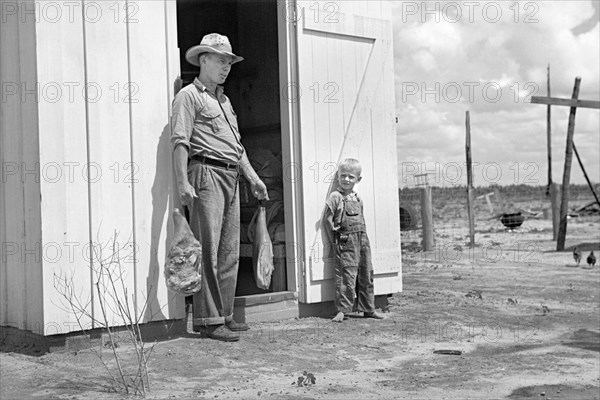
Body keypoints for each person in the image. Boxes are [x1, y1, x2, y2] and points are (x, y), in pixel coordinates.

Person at [171, 33, 269, 342]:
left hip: (231, 177)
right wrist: (183, 180)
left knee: (230, 252)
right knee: (209, 251)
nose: (225, 68)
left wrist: (253, 178)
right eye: (219, 61)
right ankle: (207, 320)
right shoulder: (189, 96)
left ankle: (224, 315)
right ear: (203, 60)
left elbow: (236, 147)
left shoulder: (224, 101)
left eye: (228, 62)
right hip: (206, 174)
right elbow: (180, 140)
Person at [324, 159, 384, 323]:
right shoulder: (336, 197)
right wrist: (333, 242)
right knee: (346, 277)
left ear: (358, 179)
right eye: (343, 176)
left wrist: (363, 240)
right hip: (346, 242)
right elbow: (327, 220)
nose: (346, 180)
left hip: (363, 241)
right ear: (338, 176)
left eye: (351, 177)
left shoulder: (358, 198)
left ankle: (368, 308)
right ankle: (343, 310)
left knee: (366, 274)